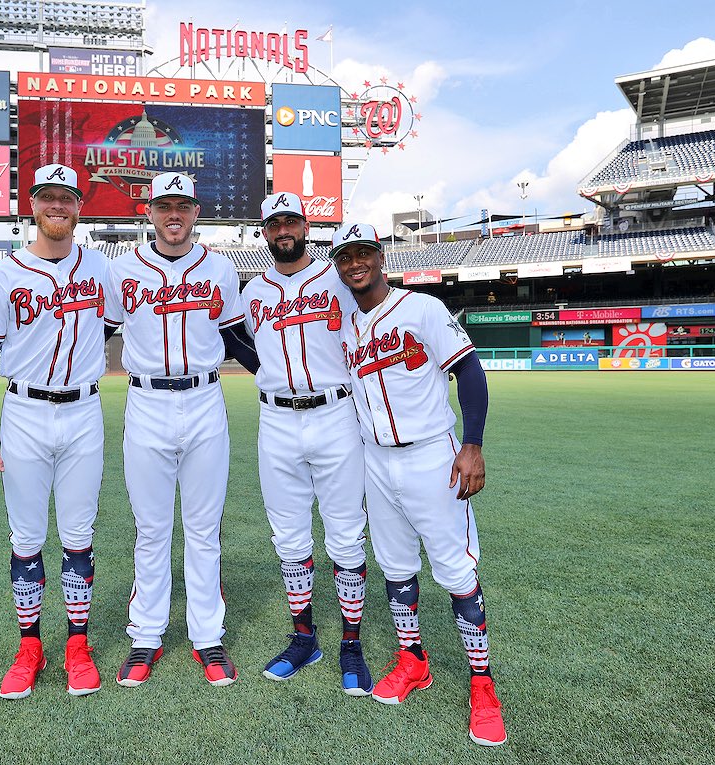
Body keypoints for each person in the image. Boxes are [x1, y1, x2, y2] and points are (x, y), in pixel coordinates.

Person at [330, 223, 507, 747]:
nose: (355, 264)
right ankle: (413, 660)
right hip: (375, 461)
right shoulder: (347, 327)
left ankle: (482, 684)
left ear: (379, 257)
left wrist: (471, 444)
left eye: (363, 253)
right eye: (345, 257)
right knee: (397, 567)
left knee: (455, 571)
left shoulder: (422, 308)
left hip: (432, 454)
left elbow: (470, 372)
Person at [103, 171, 258, 688]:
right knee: (151, 530)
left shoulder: (220, 268)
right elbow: (94, 331)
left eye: (183, 206)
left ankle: (206, 637)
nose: (174, 215)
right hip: (145, 402)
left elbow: (236, 338)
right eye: (165, 205)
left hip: (205, 400)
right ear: (149, 211)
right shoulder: (123, 270)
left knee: (203, 528)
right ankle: (145, 636)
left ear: (196, 212)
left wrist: (284, 382)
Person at [0, 163, 109, 699]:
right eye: (47, 196)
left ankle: (77, 644)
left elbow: (128, 319)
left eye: (66, 197)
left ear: (79, 206)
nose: (57, 206)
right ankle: (30, 645)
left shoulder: (99, 268)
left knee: (78, 537)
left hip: (84, 413)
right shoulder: (2, 275)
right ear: (32, 205)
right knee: (26, 539)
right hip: (24, 413)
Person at [241, 192, 372, 695]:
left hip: (335, 413)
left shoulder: (338, 280)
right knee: (289, 537)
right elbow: (249, 344)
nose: (283, 230)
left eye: (290, 220)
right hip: (276, 420)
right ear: (265, 231)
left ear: (306, 225)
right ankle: (304, 638)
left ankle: (352, 644)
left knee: (345, 534)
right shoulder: (254, 290)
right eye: (273, 223)